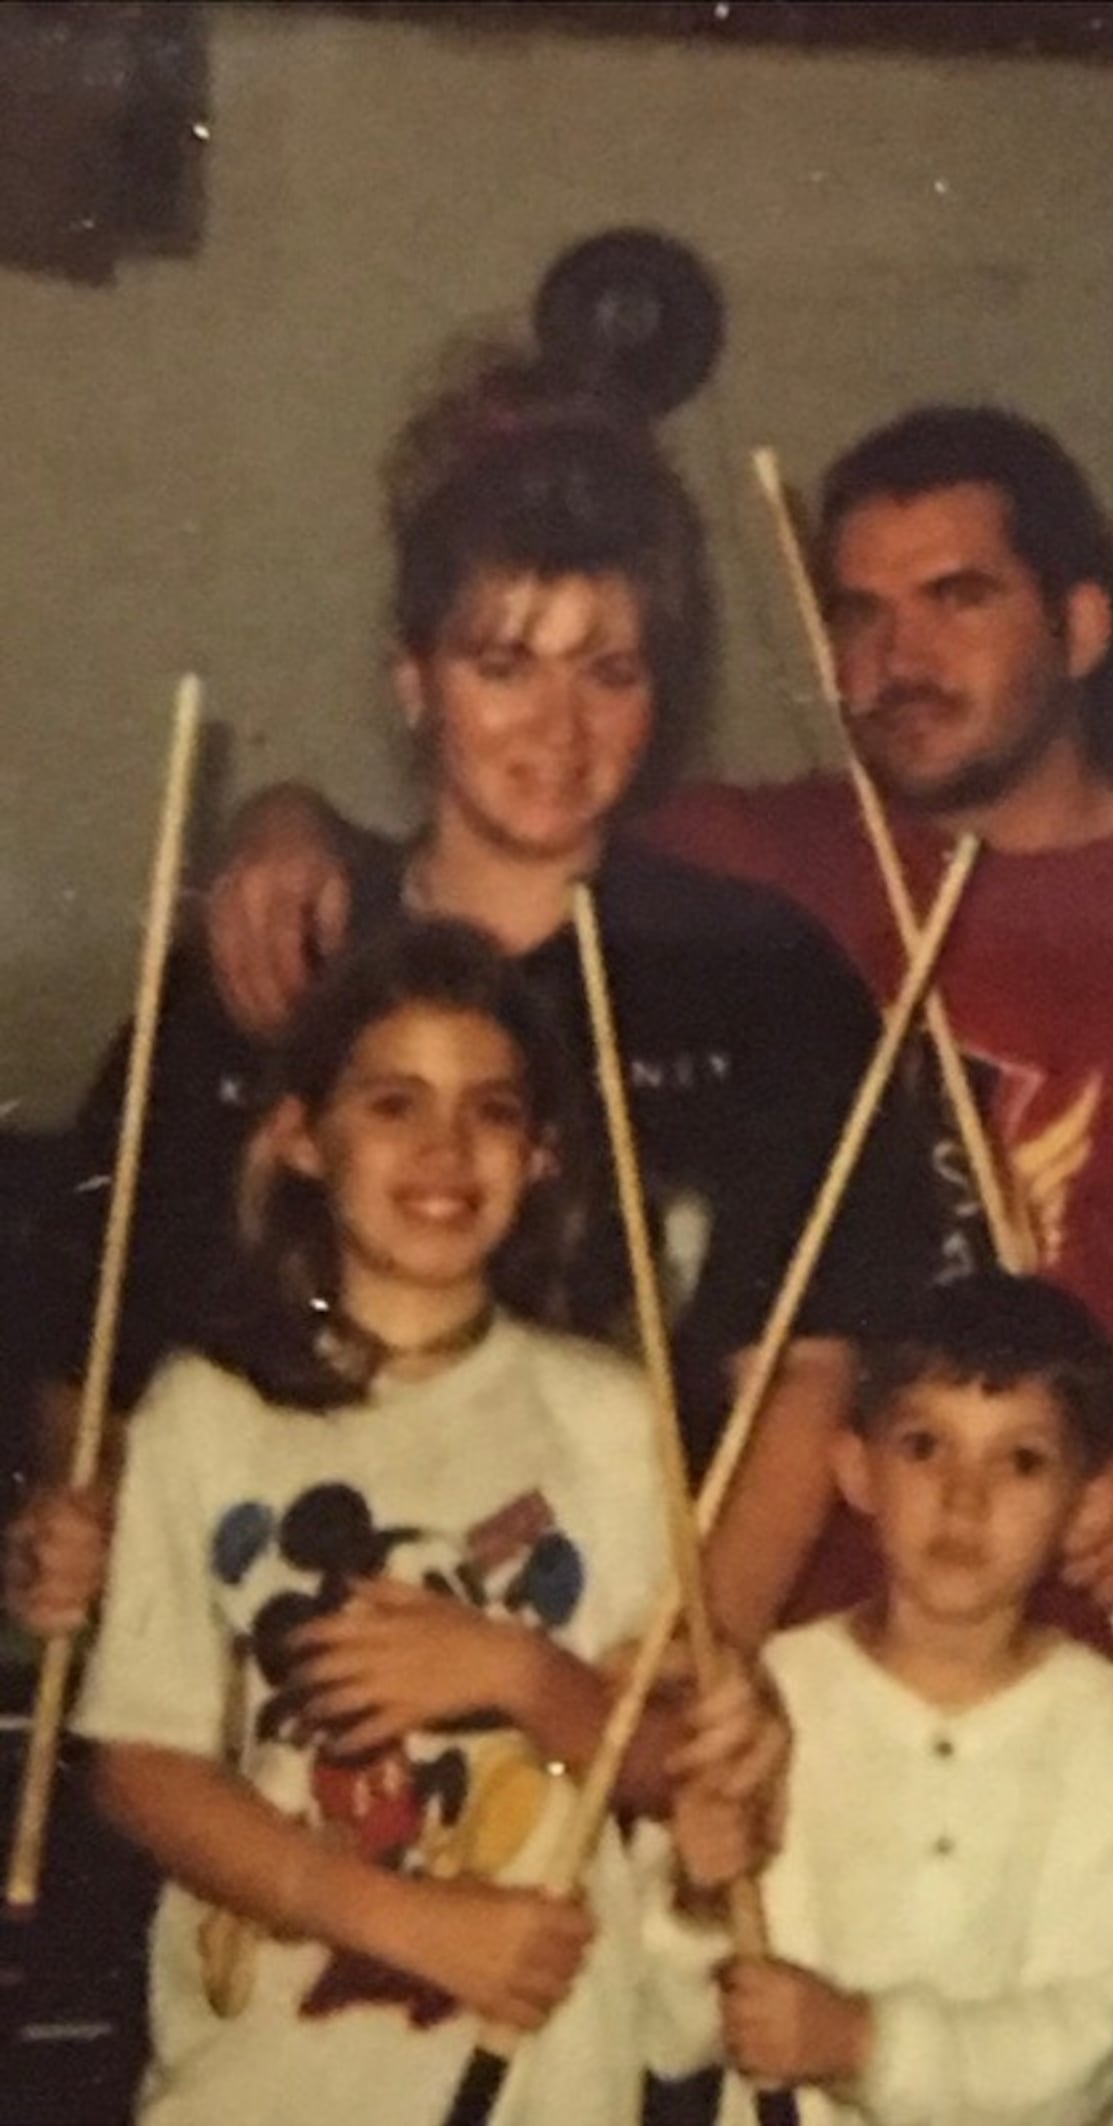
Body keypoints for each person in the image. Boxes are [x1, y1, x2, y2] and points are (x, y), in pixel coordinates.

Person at [183, 402, 1113, 2124]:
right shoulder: (777, 866)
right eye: (861, 611)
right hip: (815, 1739)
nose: (899, 656)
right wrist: (282, 822)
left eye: (957, 597)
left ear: (1085, 626)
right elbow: (508, 796)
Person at [5, 390, 938, 1662]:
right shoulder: (274, 959)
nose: (558, 729)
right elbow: (94, 1347)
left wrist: (673, 1664)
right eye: (504, 666)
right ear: (413, 680)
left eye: (609, 672)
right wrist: (91, 1523)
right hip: (268, 1695)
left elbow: (808, 1368)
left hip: (604, 1675)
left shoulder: (760, 980)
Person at [71, 918, 786, 2126]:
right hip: (262, 2069)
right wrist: (399, 1920)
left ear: (544, 1152)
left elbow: (668, 1761)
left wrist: (514, 1670)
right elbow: (142, 1767)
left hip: (537, 2065)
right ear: (301, 1135)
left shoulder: (609, 1411)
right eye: (394, 1102)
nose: (446, 1148)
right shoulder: (204, 1407)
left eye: (493, 1109)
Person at [640, 1272, 1113, 2126]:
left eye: (1022, 1461)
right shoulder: (770, 1697)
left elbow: (1088, 2048)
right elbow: (668, 2039)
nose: (965, 1498)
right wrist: (699, 1897)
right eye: (926, 1447)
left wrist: (860, 2043)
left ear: (1081, 1504)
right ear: (857, 1470)